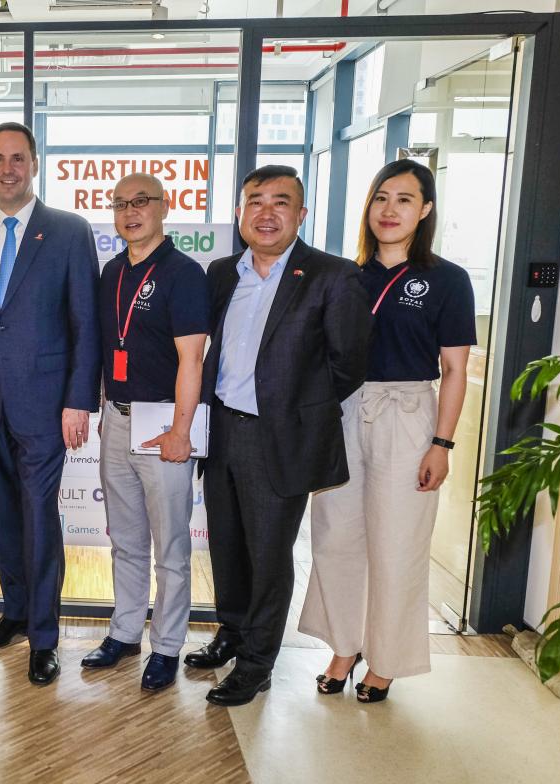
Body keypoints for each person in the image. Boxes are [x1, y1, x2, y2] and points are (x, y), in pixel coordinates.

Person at [186, 164, 371, 706]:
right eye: (255, 201)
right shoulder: (221, 272)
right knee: (226, 546)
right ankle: (233, 632)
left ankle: (258, 663)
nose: (266, 213)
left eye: (281, 202)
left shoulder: (331, 276)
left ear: (301, 213)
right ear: (240, 212)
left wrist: (294, 409)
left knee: (269, 556)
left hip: (279, 437)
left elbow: (349, 363)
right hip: (221, 430)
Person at [299, 159, 475, 703]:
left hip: (408, 415)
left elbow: (454, 370)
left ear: (424, 210)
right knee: (336, 535)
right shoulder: (346, 275)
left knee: (397, 543)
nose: (390, 209)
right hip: (347, 412)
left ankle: (387, 660)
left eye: (404, 199)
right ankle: (343, 647)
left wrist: (441, 445)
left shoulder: (447, 279)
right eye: (381, 197)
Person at [0, 122, 101, 685]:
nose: (8, 169)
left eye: (18, 158)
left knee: (40, 521)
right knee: (0, 521)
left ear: (34, 165)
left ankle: (45, 634)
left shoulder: (67, 230)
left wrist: (78, 400)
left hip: (46, 405)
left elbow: (85, 321)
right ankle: (14, 612)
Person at [80, 173, 209, 692]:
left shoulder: (184, 274)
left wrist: (181, 431)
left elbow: (191, 360)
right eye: (120, 203)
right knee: (126, 541)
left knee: (171, 547)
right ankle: (125, 632)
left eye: (141, 202)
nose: (130, 211)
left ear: (164, 205)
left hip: (165, 427)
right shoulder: (112, 270)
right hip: (118, 419)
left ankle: (169, 645)